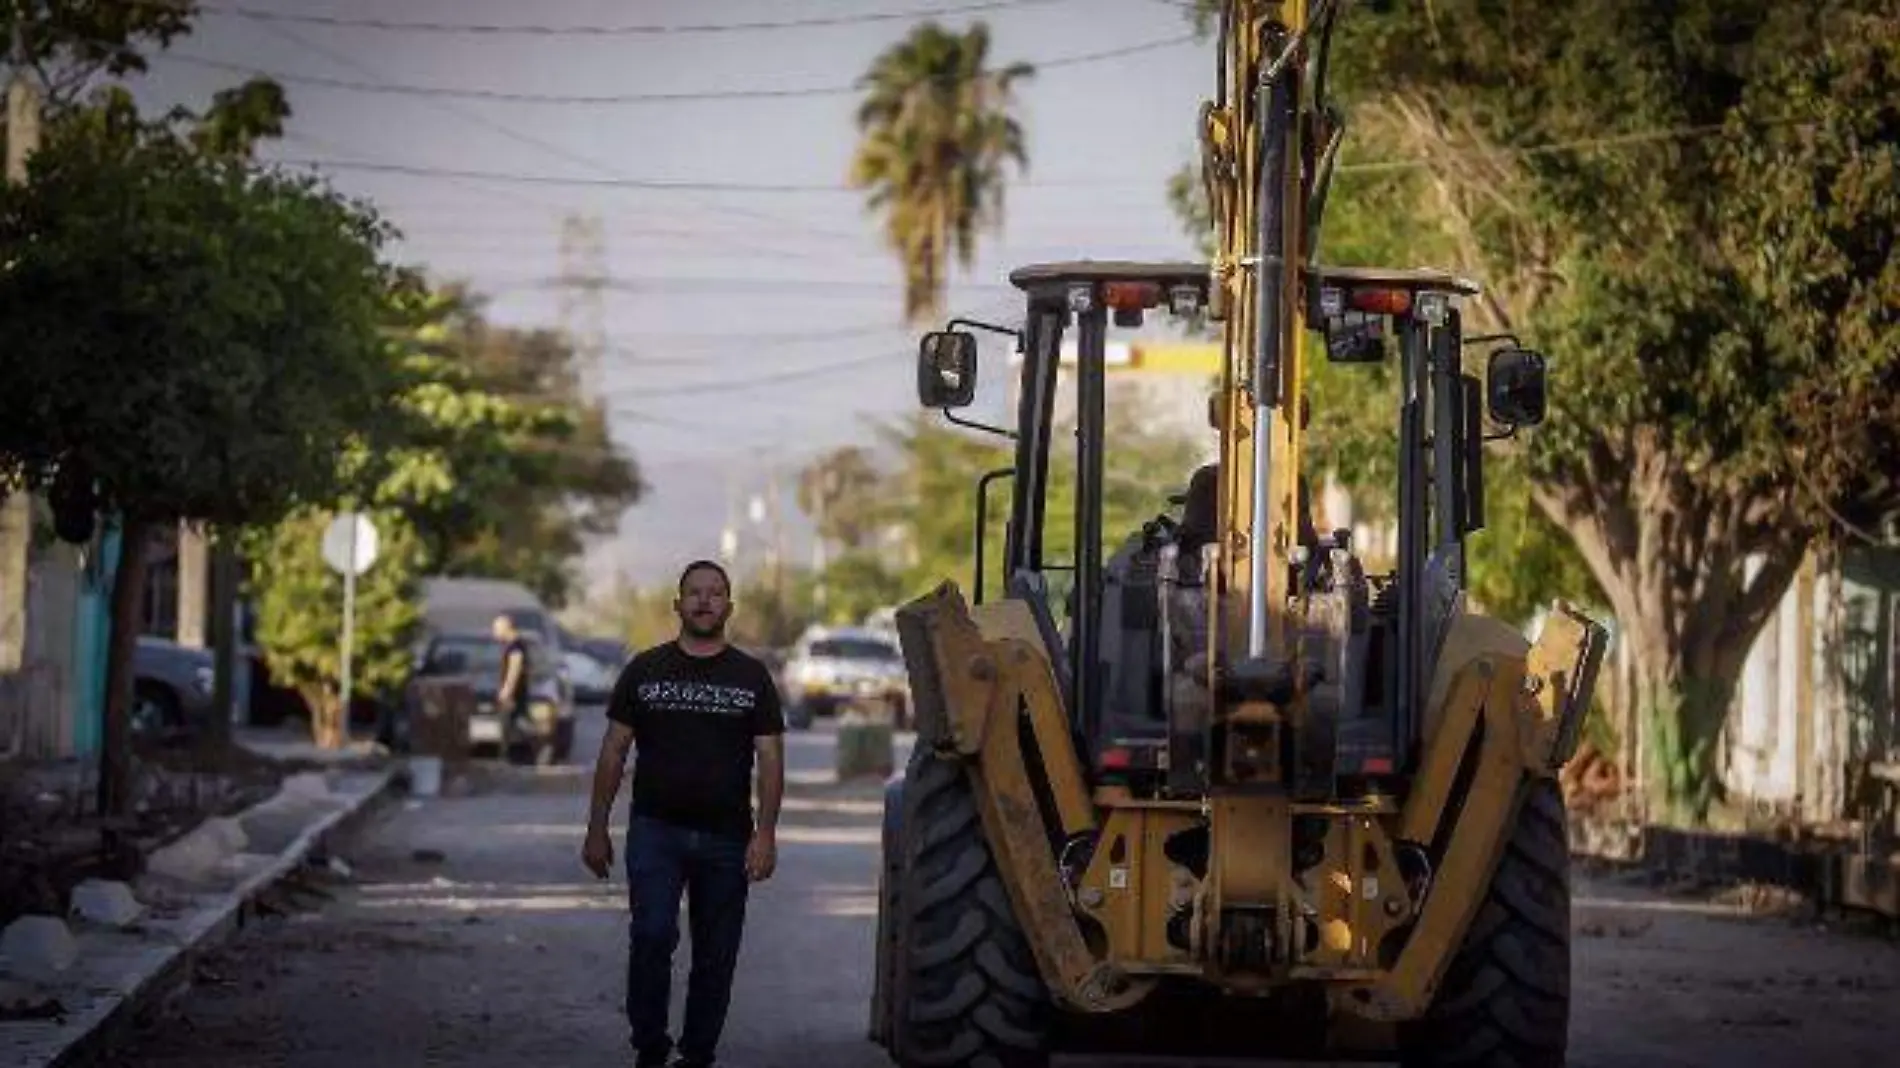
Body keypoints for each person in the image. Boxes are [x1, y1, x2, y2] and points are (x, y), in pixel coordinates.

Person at [582, 559, 786, 1068]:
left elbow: (771, 758)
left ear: (729, 607)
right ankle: (649, 1044)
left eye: (715, 593)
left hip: (726, 838)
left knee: (715, 954)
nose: (703, 601)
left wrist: (766, 835)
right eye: (694, 592)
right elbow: (613, 751)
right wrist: (596, 828)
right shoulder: (644, 670)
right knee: (651, 935)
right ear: (677, 604)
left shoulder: (752, 677)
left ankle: (697, 1054)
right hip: (656, 831)